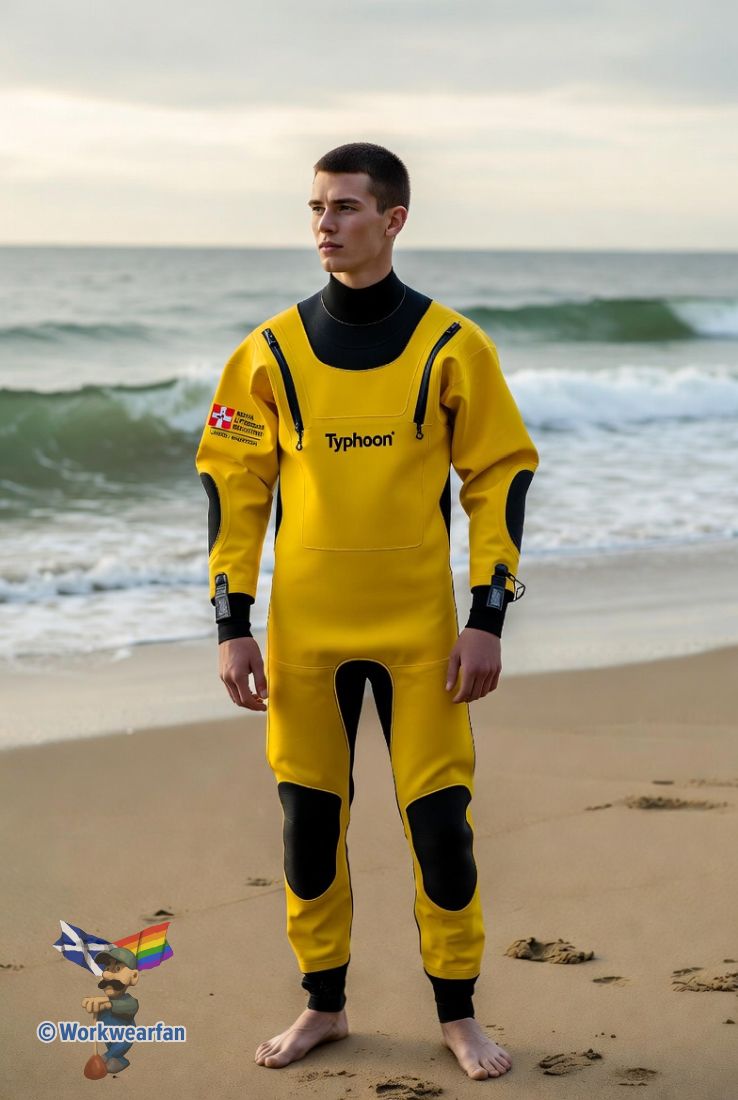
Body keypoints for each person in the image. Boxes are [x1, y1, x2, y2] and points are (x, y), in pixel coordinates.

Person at [195, 142, 539, 1080]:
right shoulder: (266, 352)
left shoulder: (454, 347)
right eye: (316, 207)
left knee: (441, 827)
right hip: (305, 636)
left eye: (345, 207)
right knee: (310, 826)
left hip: (421, 633)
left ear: (393, 221)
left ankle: (459, 1015)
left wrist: (488, 615)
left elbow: (499, 476)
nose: (325, 224)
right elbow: (233, 486)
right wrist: (232, 623)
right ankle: (324, 1005)